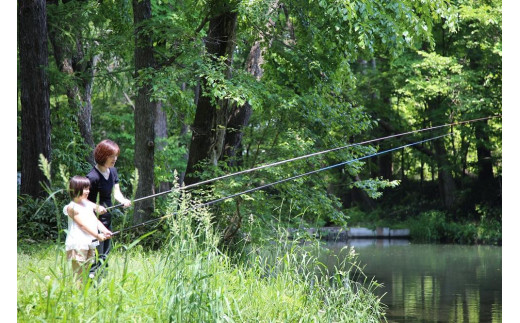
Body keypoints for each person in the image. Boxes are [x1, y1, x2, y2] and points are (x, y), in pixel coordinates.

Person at [86, 139, 131, 276]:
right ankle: (91, 279)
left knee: (105, 253)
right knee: (96, 253)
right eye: (112, 156)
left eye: (116, 156)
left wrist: (123, 200)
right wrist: (96, 206)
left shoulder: (113, 172)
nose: (115, 159)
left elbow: (116, 192)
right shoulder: (91, 177)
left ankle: (102, 280)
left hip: (107, 218)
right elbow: (81, 201)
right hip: (93, 221)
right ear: (102, 156)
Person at [64, 176, 112, 284]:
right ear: (75, 189)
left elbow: (95, 220)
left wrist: (105, 231)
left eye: (88, 188)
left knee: (87, 271)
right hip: (77, 244)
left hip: (89, 243)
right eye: (85, 188)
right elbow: (83, 225)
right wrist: (97, 235)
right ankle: (76, 297)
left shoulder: (86, 204)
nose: (88, 191)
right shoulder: (71, 207)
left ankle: (83, 295)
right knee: (79, 274)